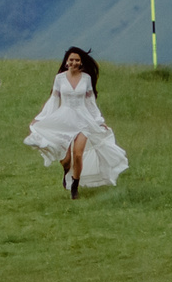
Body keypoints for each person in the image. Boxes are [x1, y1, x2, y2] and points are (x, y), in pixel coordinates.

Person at [22, 46, 129, 198]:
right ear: (67, 62)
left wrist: (98, 121)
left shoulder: (86, 78)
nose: (74, 62)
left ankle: (75, 186)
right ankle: (67, 170)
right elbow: (54, 100)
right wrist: (40, 118)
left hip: (83, 120)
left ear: (81, 62)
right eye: (71, 59)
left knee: (78, 154)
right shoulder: (59, 78)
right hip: (64, 119)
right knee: (66, 160)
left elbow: (90, 102)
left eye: (77, 60)